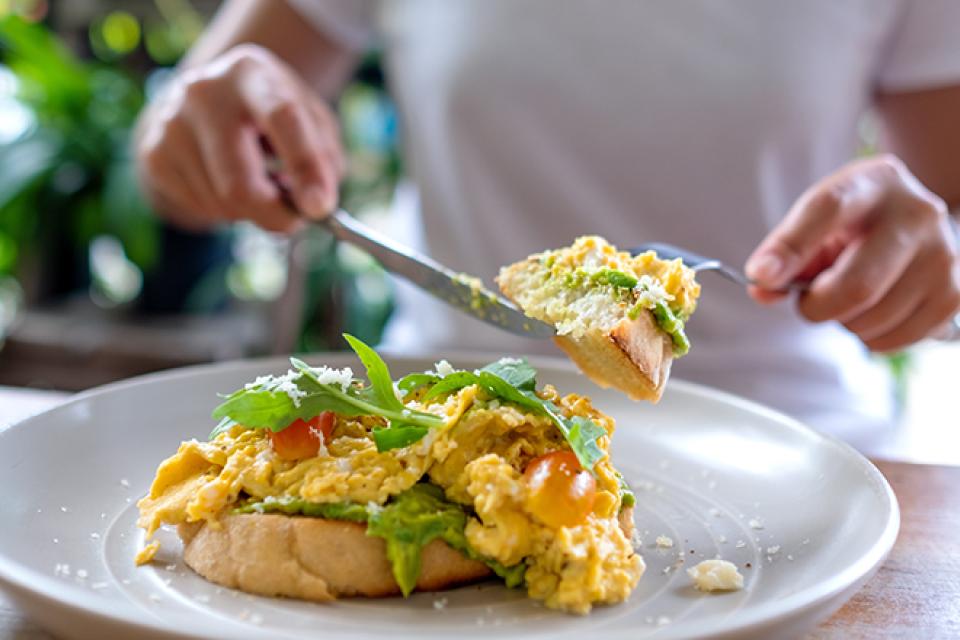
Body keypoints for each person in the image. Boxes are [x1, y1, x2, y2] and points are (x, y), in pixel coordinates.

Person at [134, 0, 960, 452]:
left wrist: (933, 258)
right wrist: (190, 132)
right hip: (437, 421)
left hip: (804, 448)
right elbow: (171, 153)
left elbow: (948, 214)